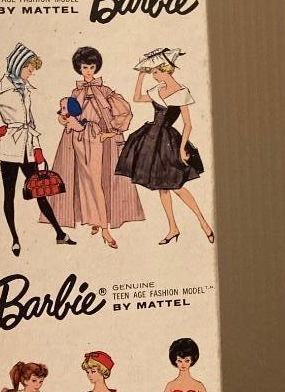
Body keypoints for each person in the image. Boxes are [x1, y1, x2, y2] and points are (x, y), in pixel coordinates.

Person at [42, 46, 144, 249]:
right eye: (84, 67)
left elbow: (125, 113)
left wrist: (110, 133)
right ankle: (95, 220)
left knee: (97, 182)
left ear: (96, 67)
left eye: (91, 67)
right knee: (83, 181)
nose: (88, 71)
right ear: (79, 69)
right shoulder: (75, 93)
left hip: (97, 139)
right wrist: (64, 119)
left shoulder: (105, 91)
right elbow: (67, 117)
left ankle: (105, 228)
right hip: (77, 139)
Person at [0, 42, 76, 255]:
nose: (31, 73)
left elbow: (30, 122)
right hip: (8, 149)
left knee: (40, 190)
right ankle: (15, 239)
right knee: (9, 195)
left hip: (28, 148)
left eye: (32, 70)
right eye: (29, 69)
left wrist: (37, 148)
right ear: (18, 66)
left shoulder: (26, 91)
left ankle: (60, 234)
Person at [115, 48, 214, 245]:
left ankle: (203, 222)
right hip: (151, 139)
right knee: (163, 187)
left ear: (165, 69)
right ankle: (173, 228)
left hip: (168, 142)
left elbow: (188, 124)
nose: (153, 75)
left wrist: (182, 148)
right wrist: (140, 77)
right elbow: (137, 98)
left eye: (155, 72)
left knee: (177, 186)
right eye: (152, 72)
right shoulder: (158, 89)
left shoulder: (182, 92)